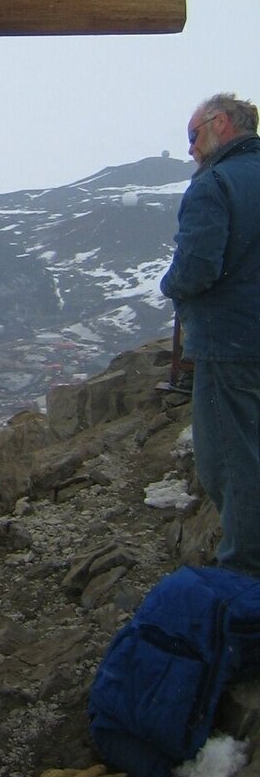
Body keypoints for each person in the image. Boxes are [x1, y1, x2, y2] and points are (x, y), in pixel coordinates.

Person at [161, 92, 260, 576]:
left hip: (233, 345)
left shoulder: (214, 184)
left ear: (220, 125)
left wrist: (170, 285)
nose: (191, 150)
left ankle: (245, 573)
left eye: (193, 136)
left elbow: (197, 267)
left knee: (230, 461)